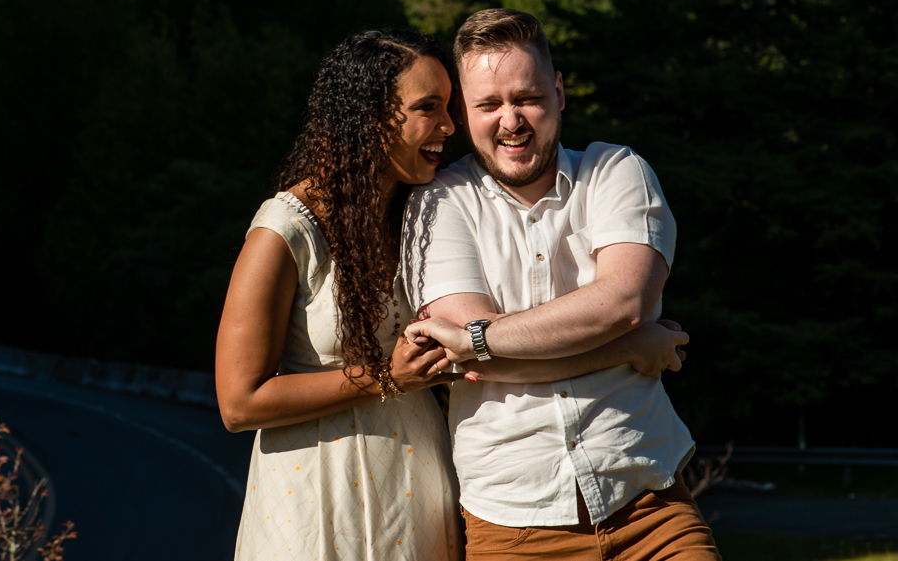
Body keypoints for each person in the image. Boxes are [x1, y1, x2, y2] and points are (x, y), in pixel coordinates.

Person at [215, 28, 693, 561]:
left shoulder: (413, 210)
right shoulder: (286, 228)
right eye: (430, 108)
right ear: (372, 118)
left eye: (449, 107)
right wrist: (387, 378)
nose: (449, 125)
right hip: (318, 485)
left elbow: (475, 348)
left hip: (418, 480)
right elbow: (238, 403)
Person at [403, 9, 719, 560]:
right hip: (513, 522)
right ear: (464, 112)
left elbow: (623, 302)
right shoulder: (437, 202)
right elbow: (476, 360)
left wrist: (484, 339)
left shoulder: (616, 171)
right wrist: (628, 347)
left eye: (527, 98)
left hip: (649, 503)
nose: (510, 121)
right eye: (488, 105)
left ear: (559, 92)